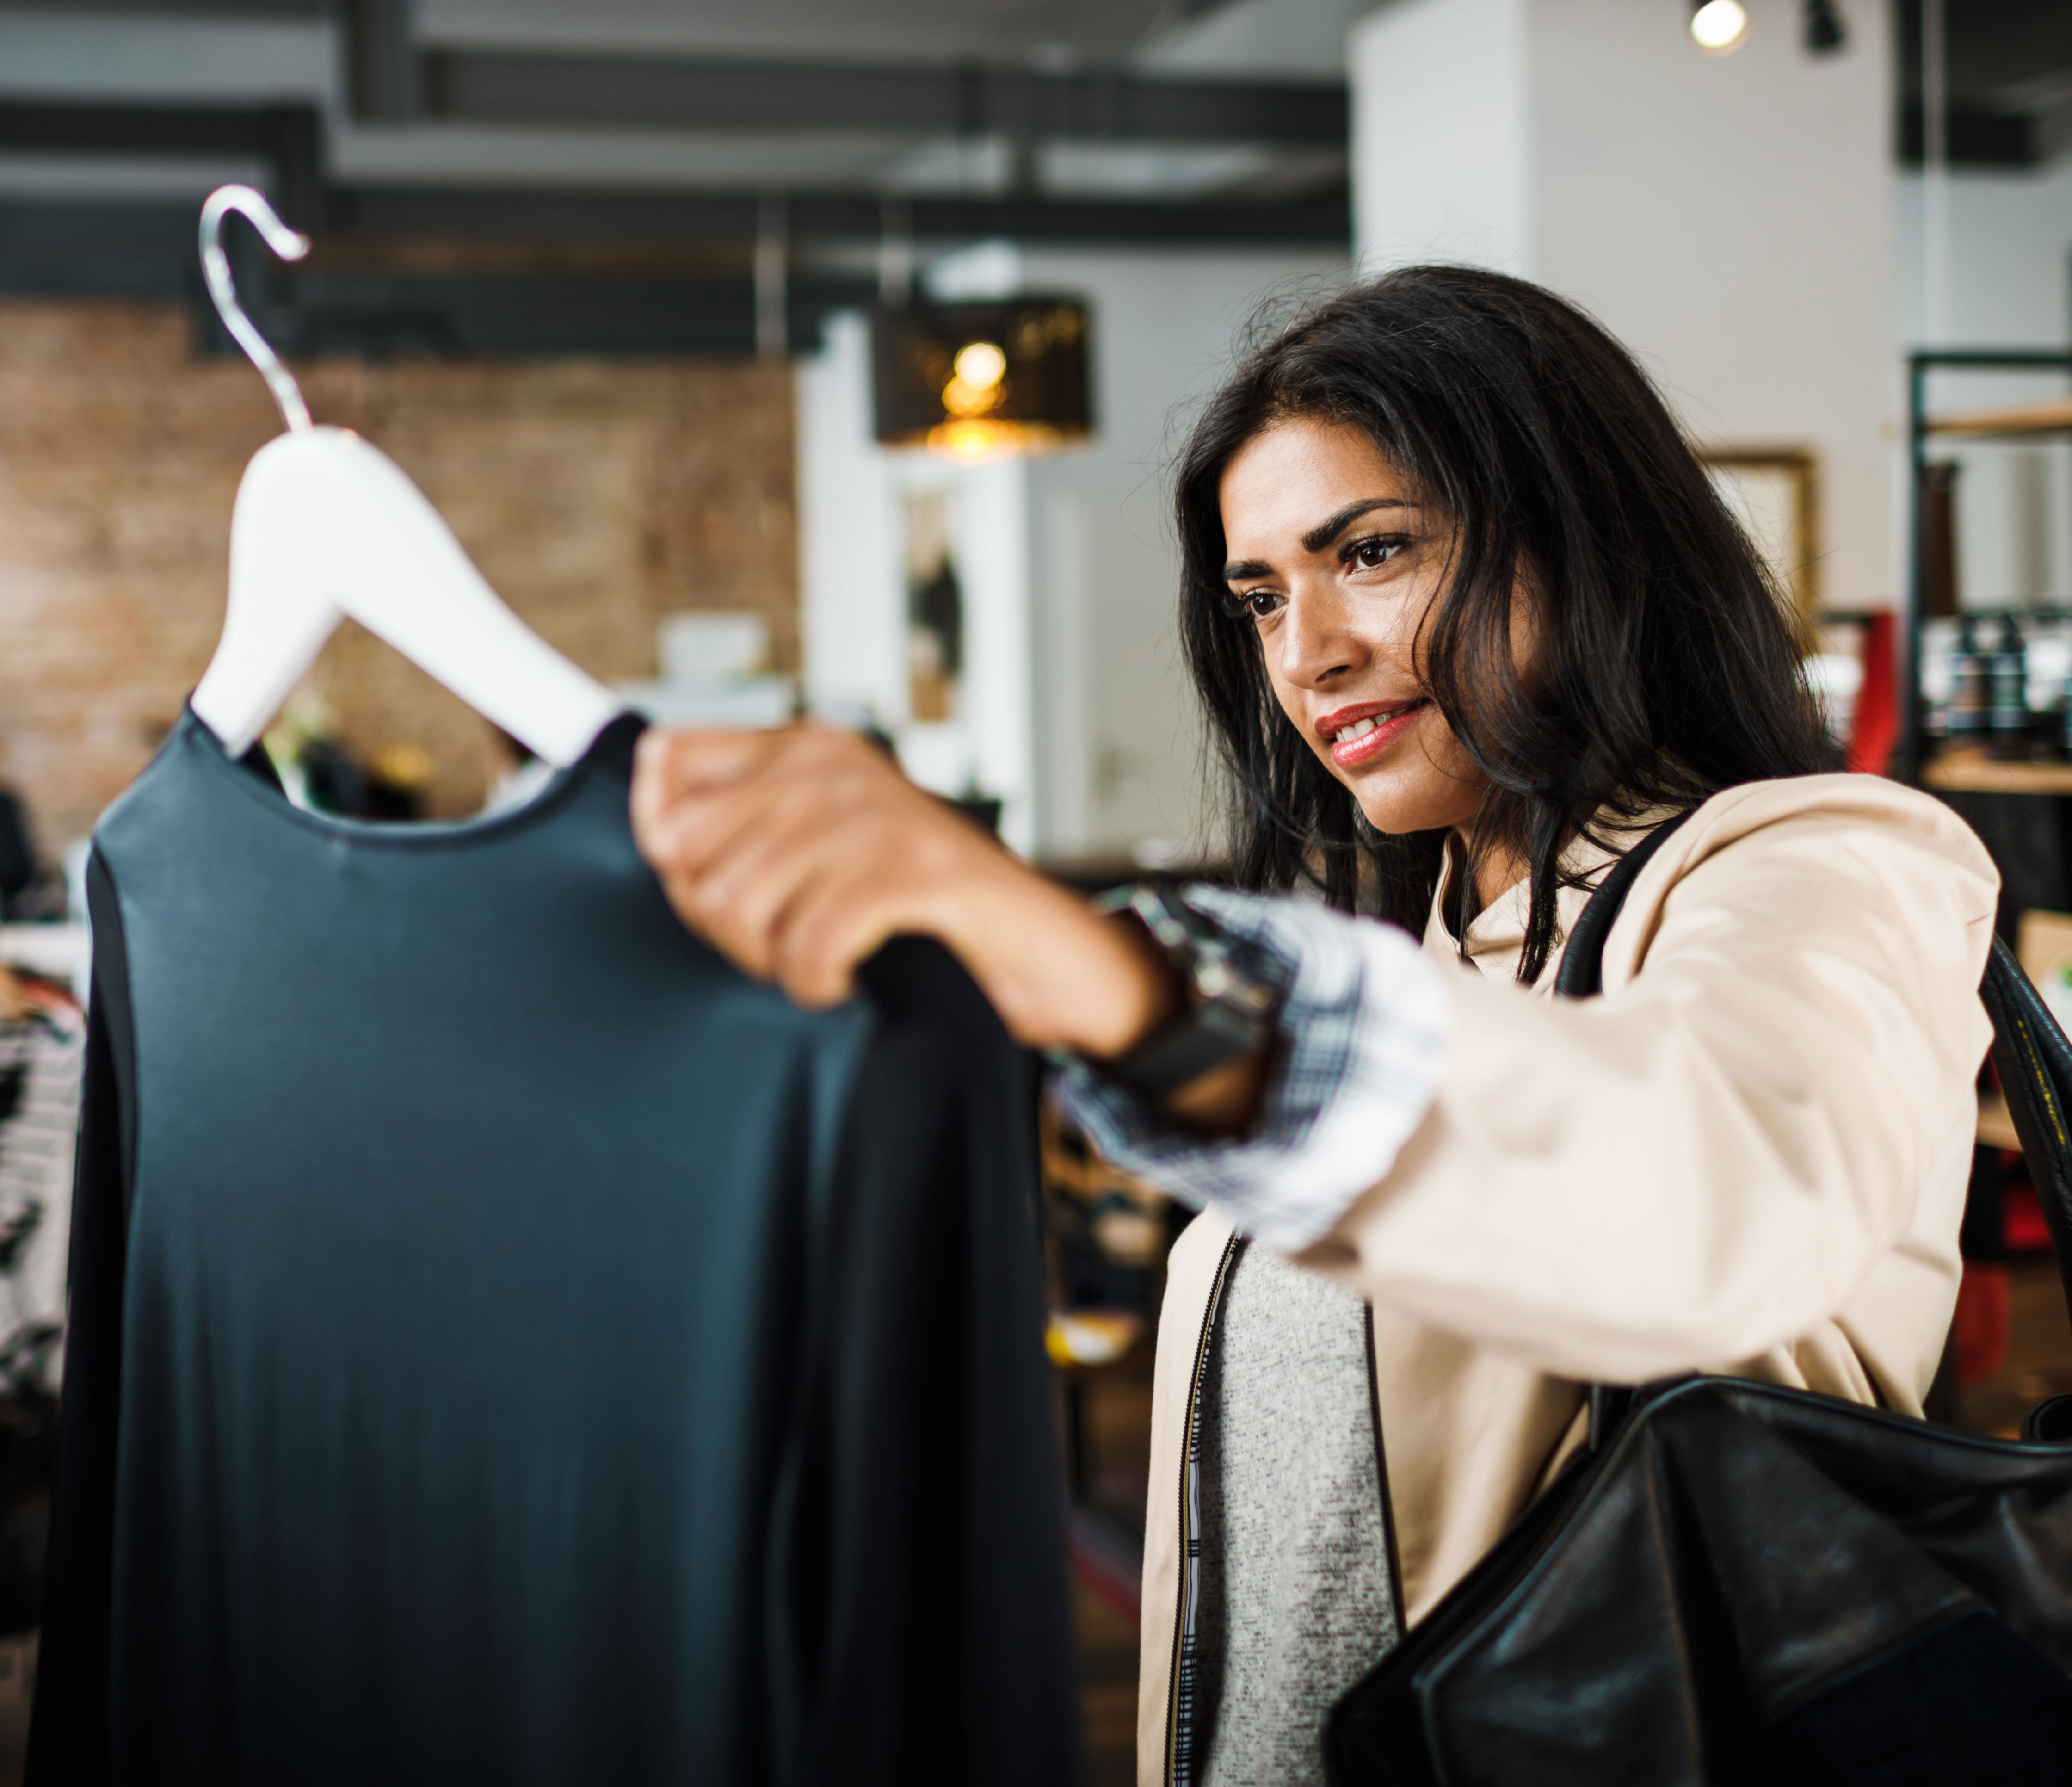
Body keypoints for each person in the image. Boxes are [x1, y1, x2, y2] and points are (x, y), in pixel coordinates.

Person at [629, 267, 1996, 1787]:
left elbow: (1705, 1183)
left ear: (1588, 535)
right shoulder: (1434, 958)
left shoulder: (1831, 864)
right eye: (1264, 594)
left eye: (1376, 552)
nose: (1307, 652)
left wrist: (1127, 986)